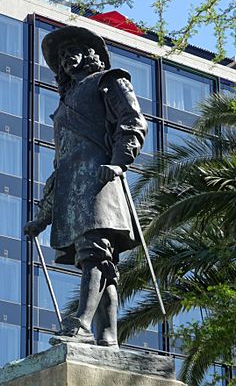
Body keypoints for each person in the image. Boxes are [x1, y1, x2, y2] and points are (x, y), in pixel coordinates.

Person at [24, 26, 147, 347]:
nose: (65, 58)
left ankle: (81, 325)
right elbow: (60, 165)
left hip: (100, 181)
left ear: (89, 54)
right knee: (98, 258)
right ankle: (107, 337)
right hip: (71, 189)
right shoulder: (62, 107)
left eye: (71, 51)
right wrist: (43, 216)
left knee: (94, 251)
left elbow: (132, 122)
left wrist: (120, 162)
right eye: (61, 55)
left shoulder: (109, 81)